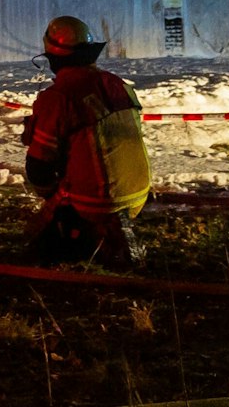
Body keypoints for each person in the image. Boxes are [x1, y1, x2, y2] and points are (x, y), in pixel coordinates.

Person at [21, 15, 152, 270]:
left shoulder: (59, 97)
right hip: (138, 196)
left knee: (37, 238)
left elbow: (39, 167)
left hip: (97, 203)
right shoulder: (118, 84)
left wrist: (50, 192)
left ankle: (78, 238)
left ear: (52, 57)